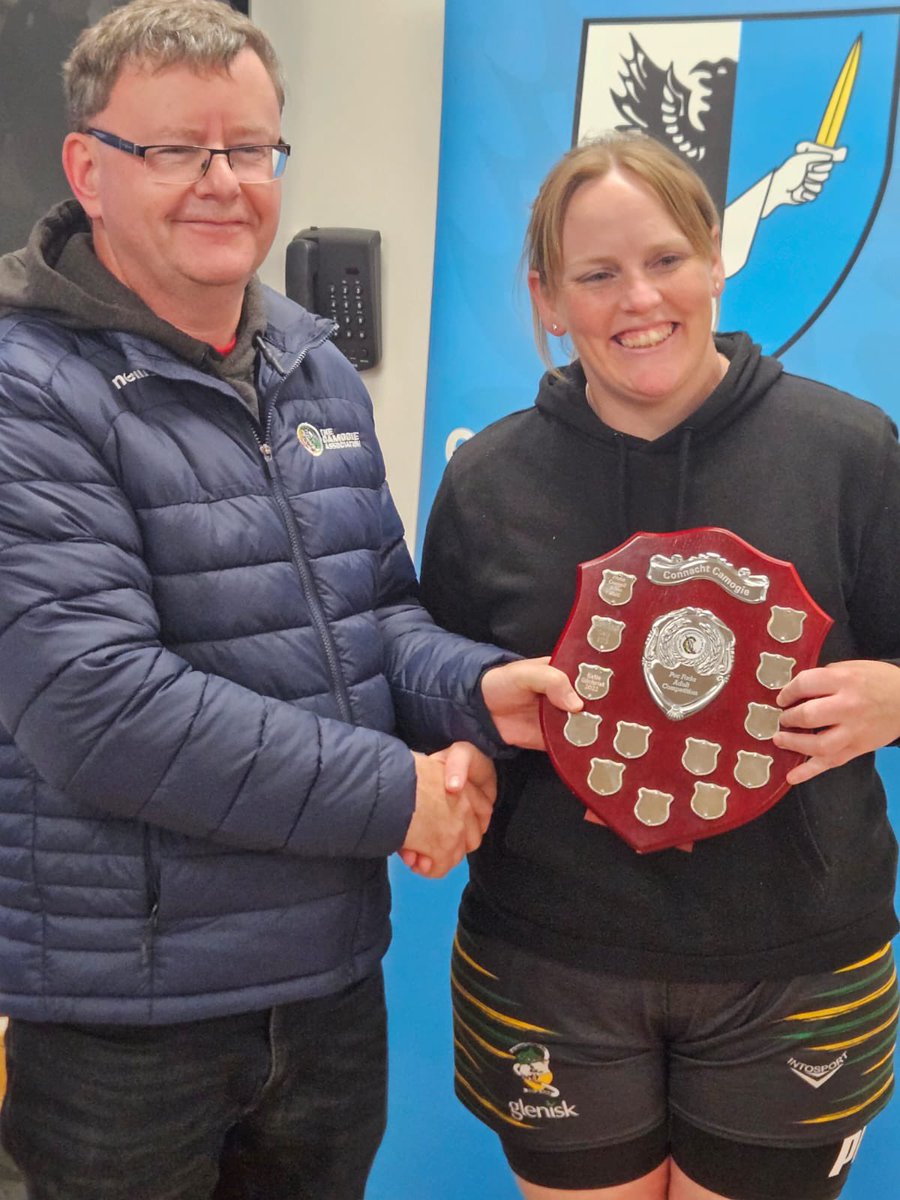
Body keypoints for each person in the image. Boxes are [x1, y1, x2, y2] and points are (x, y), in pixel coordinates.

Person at [0, 2, 579, 1198]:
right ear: (88, 169)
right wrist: (401, 794)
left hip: (325, 988)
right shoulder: (26, 390)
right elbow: (100, 709)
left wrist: (473, 692)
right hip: (129, 1017)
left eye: (251, 149)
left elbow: (376, 617)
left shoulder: (310, 369)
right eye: (176, 150)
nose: (223, 183)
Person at [419, 132, 900, 1200]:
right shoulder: (489, 480)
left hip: (798, 956)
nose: (639, 298)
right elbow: (429, 680)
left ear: (715, 259)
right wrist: (459, 755)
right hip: (554, 958)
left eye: (667, 258)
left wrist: (898, 698)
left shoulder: (851, 450)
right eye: (596, 275)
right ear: (548, 298)